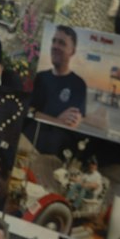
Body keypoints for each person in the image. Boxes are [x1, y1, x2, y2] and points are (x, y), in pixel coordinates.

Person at [30, 25, 87, 157]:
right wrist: (57, 120)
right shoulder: (40, 78)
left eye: (62, 43)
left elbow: (71, 123)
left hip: (56, 153)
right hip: (30, 143)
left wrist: (40, 115)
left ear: (72, 51)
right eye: (54, 41)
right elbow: (29, 112)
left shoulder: (79, 85)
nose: (55, 46)